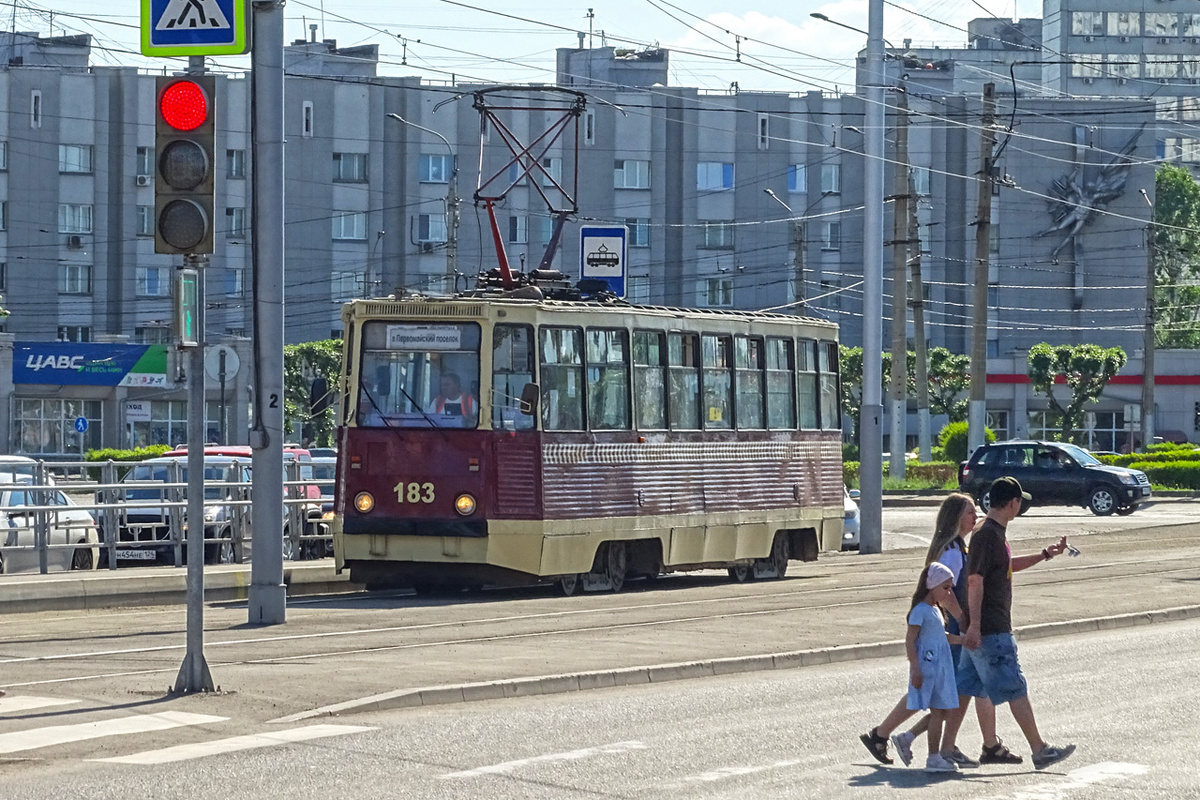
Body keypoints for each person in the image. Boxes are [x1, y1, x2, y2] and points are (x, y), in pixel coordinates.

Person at [861, 493, 999, 768]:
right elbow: (944, 590)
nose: (975, 516)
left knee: (947, 692)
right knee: (931, 692)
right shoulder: (951, 551)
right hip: (944, 629)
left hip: (946, 628)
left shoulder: (959, 547)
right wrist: (962, 620)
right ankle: (889, 735)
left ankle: (936, 744)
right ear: (956, 517)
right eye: (970, 512)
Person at [956, 476, 1076, 771]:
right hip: (990, 629)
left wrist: (1045, 554)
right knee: (1015, 688)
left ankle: (942, 748)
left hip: (983, 628)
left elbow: (1004, 567)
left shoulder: (993, 533)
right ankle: (1039, 750)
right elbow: (975, 581)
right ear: (1012, 503)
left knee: (964, 690)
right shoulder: (987, 534)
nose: (1020, 507)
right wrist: (975, 626)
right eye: (1020, 502)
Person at [904, 562, 963, 772]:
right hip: (928, 666)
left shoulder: (936, 610)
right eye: (945, 588)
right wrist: (916, 668)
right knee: (939, 711)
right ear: (932, 585)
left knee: (944, 710)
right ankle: (933, 757)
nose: (948, 593)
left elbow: (942, 638)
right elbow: (910, 641)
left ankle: (907, 737)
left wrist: (962, 641)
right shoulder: (920, 610)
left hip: (940, 667)